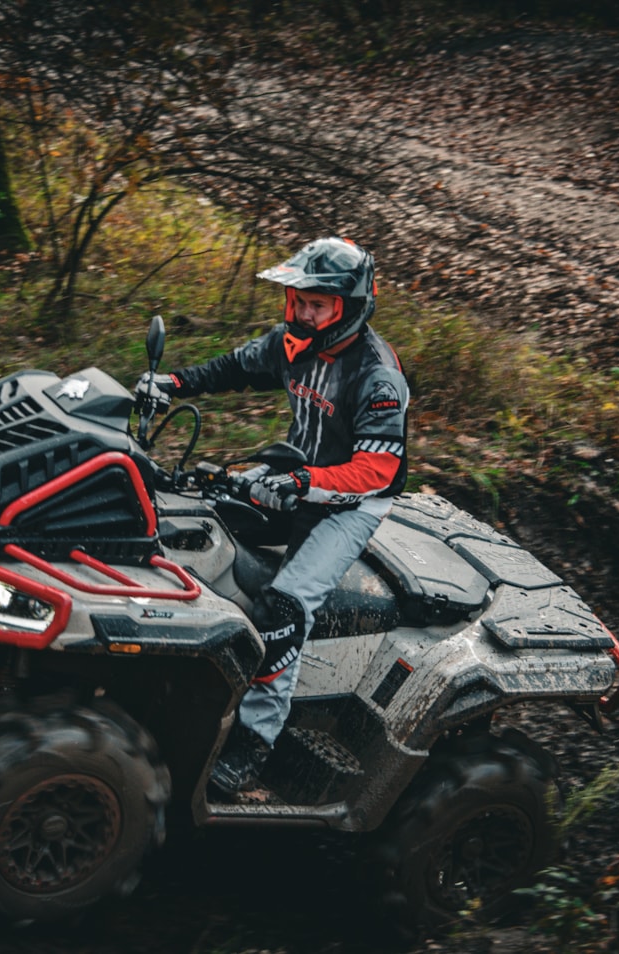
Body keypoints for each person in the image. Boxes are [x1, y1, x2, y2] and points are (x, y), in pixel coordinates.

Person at [134, 236, 409, 797]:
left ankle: (253, 743)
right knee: (192, 524)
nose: (303, 313)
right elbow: (234, 367)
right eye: (299, 301)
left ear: (350, 307)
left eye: (318, 305)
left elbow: (376, 471)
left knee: (288, 605)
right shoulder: (294, 344)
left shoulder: (376, 377)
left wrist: (305, 484)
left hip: (352, 502)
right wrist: (171, 384)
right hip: (295, 473)